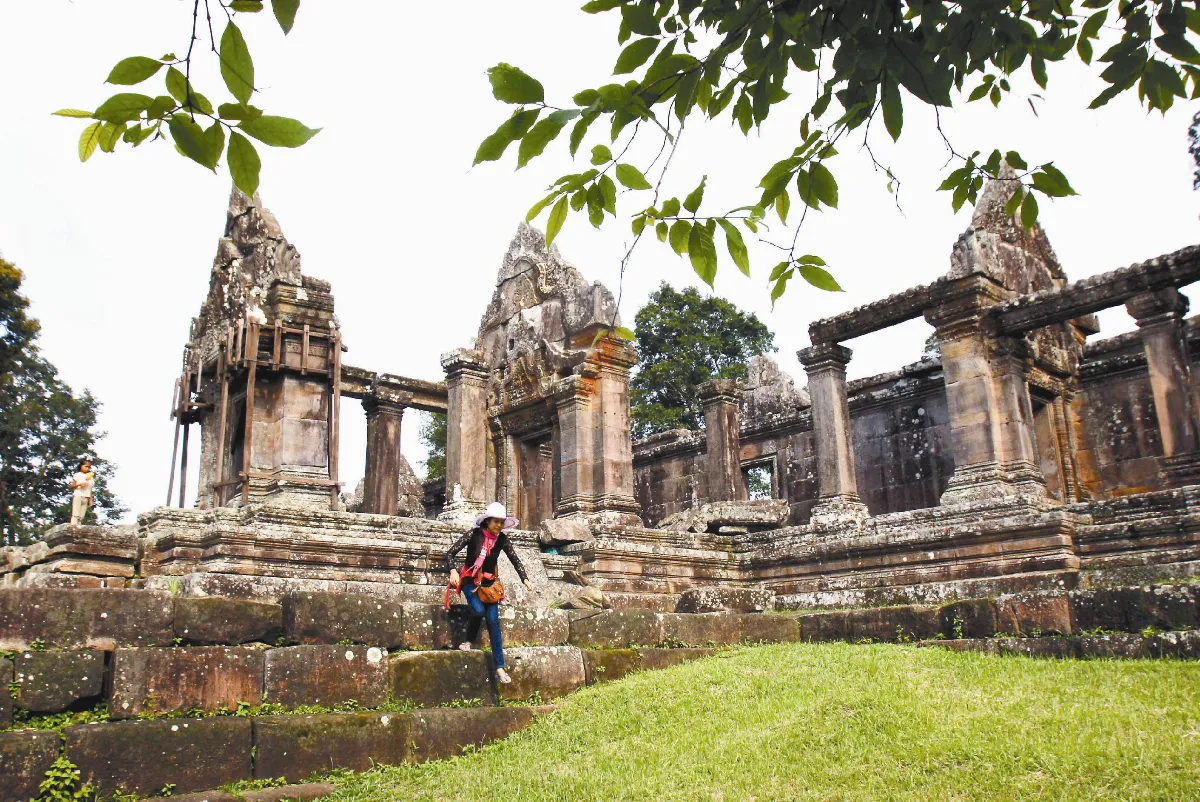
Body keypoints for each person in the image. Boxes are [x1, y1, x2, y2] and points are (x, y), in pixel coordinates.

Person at [443, 502, 534, 684]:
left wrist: (524, 578)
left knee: (493, 622)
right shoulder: (474, 534)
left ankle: (500, 667)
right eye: (496, 522)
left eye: (502, 522)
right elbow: (450, 553)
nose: (499, 526)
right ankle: (469, 639)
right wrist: (453, 571)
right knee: (478, 610)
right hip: (470, 580)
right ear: (487, 521)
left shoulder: (502, 540)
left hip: (490, 586)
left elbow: (515, 559)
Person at [69, 458, 95, 525]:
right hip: (78, 495)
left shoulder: (91, 477)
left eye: (89, 467)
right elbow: (72, 486)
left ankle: (79, 525)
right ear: (81, 466)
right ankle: (73, 525)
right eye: (86, 466)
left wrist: (91, 499)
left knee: (81, 515)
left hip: (86, 496)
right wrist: (79, 484)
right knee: (75, 513)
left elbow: (90, 489)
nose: (87, 468)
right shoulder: (77, 475)